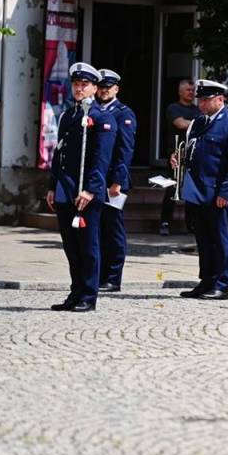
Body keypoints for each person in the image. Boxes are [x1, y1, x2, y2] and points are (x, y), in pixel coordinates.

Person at [45, 62, 118, 312]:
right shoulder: (69, 115)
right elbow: (60, 153)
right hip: (66, 188)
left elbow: (101, 158)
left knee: (88, 246)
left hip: (86, 191)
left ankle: (88, 295)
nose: (79, 88)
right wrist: (53, 185)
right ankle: (75, 292)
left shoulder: (102, 117)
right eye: (76, 84)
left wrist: (91, 190)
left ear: (95, 88)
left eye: (84, 85)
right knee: (71, 246)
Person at [170, 79, 228, 300]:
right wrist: (178, 157)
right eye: (201, 100)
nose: (202, 104)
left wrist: (226, 192)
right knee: (204, 240)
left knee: (221, 240)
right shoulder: (198, 122)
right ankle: (206, 280)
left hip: (217, 192)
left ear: (220, 100)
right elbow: (193, 151)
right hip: (197, 191)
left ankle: (221, 284)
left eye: (206, 100)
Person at [96, 69, 137, 293]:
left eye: (108, 87)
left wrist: (118, 181)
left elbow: (125, 149)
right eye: (101, 87)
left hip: (113, 180)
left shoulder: (123, 113)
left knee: (113, 230)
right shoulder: (94, 110)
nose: (104, 91)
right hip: (96, 179)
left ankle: (113, 277)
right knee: (98, 229)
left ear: (116, 89)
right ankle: (99, 274)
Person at [161, 78, 199, 235]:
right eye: (188, 90)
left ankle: (191, 224)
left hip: (193, 155)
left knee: (191, 190)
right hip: (176, 155)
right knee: (172, 189)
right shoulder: (173, 108)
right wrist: (198, 123)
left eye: (193, 90)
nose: (191, 93)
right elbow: (180, 124)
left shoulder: (197, 109)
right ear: (180, 92)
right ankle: (165, 222)